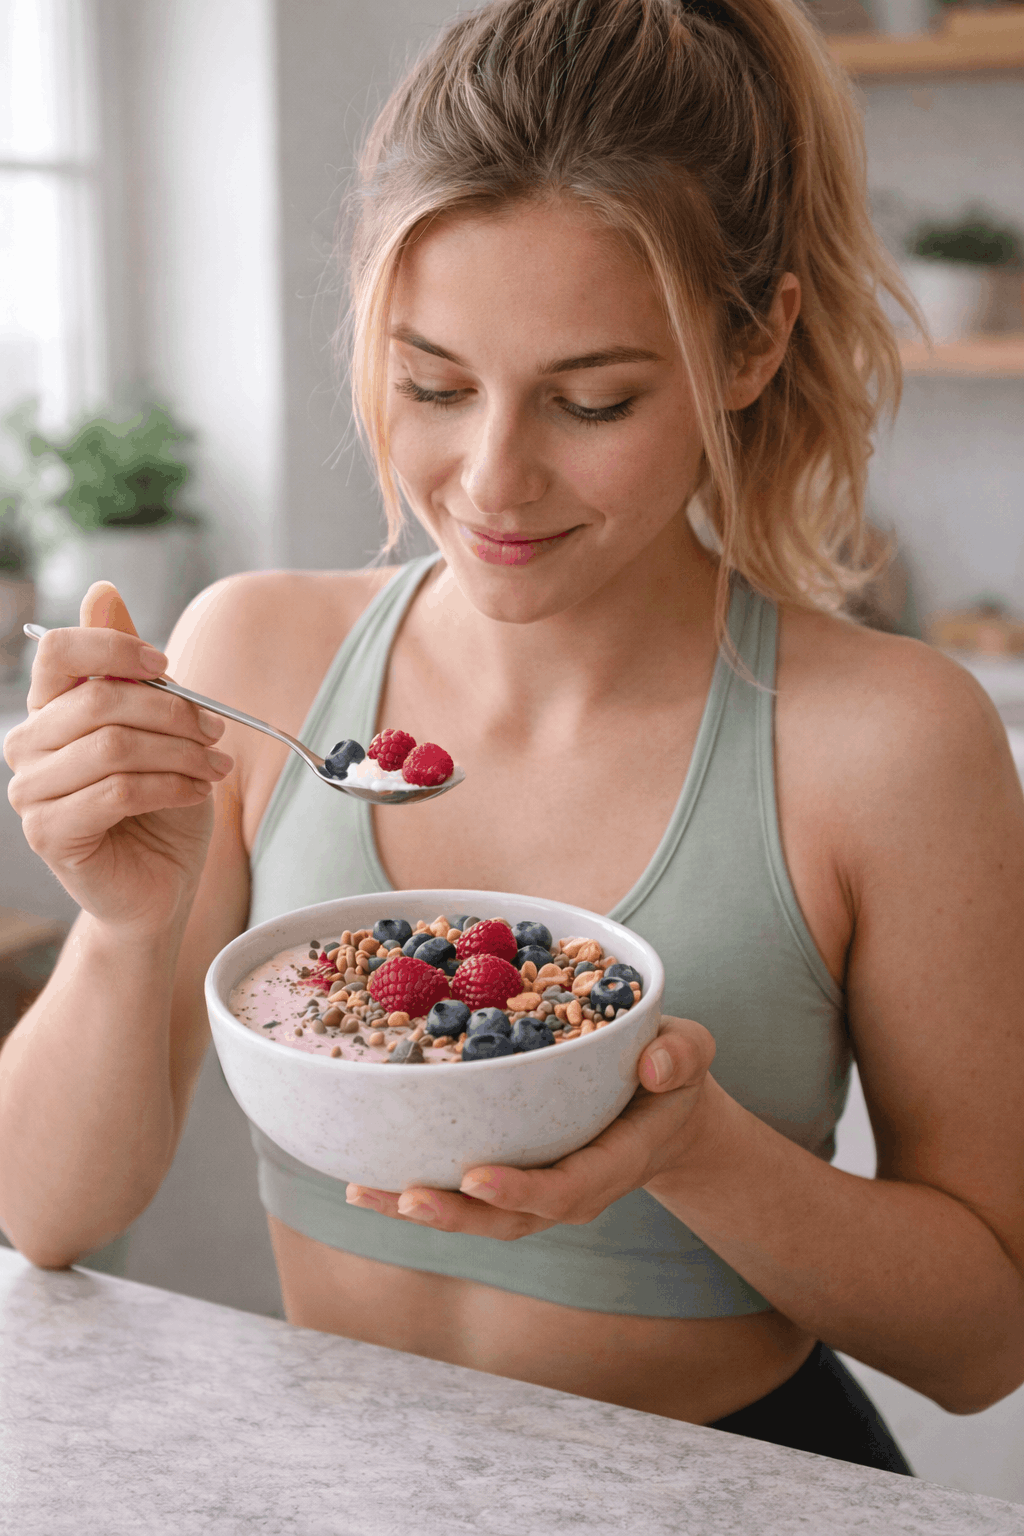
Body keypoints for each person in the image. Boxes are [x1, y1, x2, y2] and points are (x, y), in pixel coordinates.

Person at [3, 0, 1023, 1476]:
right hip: (342, 1488)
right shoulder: (258, 657)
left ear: (752, 346)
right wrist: (120, 925)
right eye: (431, 383)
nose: (492, 480)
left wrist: (685, 1146)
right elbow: (48, 1215)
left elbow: (984, 1341)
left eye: (592, 398)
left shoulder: (889, 741)